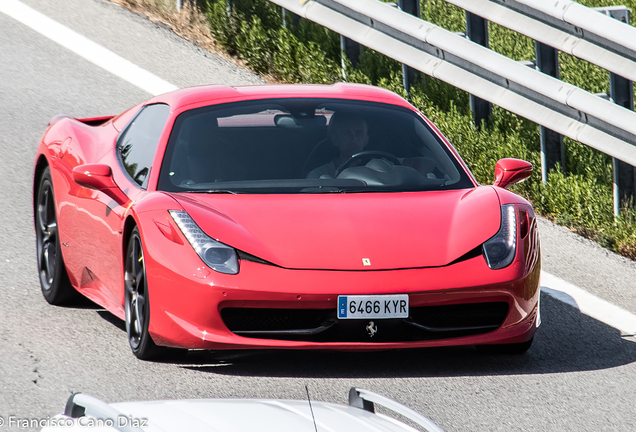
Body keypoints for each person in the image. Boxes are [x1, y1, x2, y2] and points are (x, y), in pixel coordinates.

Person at [307, 113, 369, 179]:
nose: (354, 139)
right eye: (346, 134)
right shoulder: (318, 176)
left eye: (359, 134)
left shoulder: (377, 169)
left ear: (366, 140)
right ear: (335, 140)